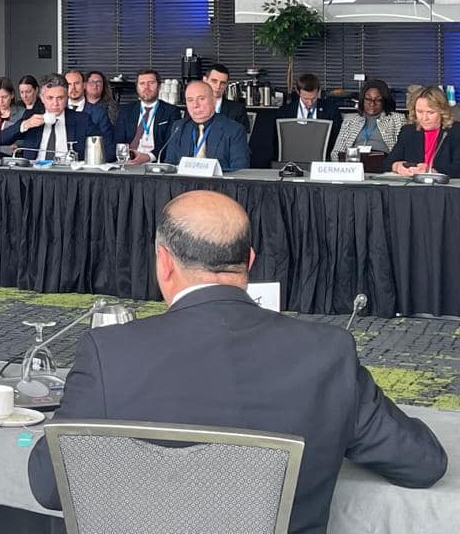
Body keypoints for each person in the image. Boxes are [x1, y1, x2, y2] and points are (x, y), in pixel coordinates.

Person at [27, 191, 447, 534]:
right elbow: (422, 463)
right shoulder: (327, 351)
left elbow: (50, 487)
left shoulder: (109, 351)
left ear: (164, 262)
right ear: (249, 261)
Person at [1, 73, 107, 159]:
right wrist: (25, 125)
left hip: (68, 173)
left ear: (67, 97)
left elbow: (106, 149)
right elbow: (1, 139)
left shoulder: (82, 119)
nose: (55, 103)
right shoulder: (32, 116)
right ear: (42, 98)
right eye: (50, 98)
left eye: (60, 98)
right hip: (36, 173)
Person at [163, 80, 250, 171]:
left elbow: (240, 171)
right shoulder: (179, 127)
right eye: (190, 100)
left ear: (213, 101)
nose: (195, 105)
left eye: (201, 99)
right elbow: (169, 167)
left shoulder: (234, 130)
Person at [388, 84, 460, 176]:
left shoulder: (456, 131)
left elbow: (457, 168)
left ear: (442, 112)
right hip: (412, 184)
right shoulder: (408, 131)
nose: (424, 118)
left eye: (430, 112)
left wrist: (431, 171)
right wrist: (397, 166)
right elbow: (388, 163)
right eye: (420, 112)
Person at [113, 69, 180, 164]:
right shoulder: (125, 110)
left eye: (151, 83)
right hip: (128, 161)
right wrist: (126, 156)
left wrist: (148, 157)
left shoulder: (171, 111)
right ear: (137, 87)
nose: (146, 87)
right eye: (142, 83)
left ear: (159, 86)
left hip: (155, 163)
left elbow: (170, 143)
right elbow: (118, 140)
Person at [331, 79, 403, 160]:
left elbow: (402, 152)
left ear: (384, 101)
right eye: (368, 99)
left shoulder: (397, 119)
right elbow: (336, 152)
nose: (372, 104)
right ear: (362, 100)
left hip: (383, 163)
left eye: (378, 100)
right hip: (353, 162)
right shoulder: (350, 120)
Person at [283, 73, 341, 155]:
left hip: (324, 156)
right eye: (305, 99)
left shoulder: (331, 109)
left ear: (318, 91)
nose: (310, 103)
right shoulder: (285, 111)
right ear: (298, 91)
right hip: (293, 154)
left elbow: (337, 140)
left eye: (313, 98)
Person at [203, 62, 250, 131]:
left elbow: (243, 135)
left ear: (226, 85)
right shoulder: (193, 106)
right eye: (214, 81)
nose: (218, 86)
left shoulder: (238, 110)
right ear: (205, 81)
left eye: (222, 83)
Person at [64, 68, 110, 135]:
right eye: (69, 84)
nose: (73, 88)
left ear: (84, 85)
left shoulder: (99, 113)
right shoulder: (58, 111)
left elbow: (106, 140)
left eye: (77, 83)